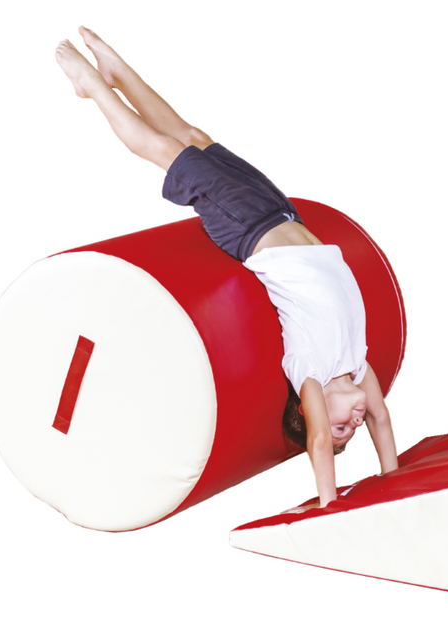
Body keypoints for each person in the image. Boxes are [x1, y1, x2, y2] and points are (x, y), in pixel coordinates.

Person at [55, 27, 397, 508]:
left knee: (165, 151)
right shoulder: (356, 361)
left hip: (247, 226)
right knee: (196, 140)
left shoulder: (309, 371)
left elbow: (319, 442)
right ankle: (119, 75)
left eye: (342, 427)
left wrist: (329, 503)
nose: (354, 423)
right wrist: (394, 479)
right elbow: (381, 417)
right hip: (283, 214)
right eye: (352, 430)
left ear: (311, 410)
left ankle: (91, 86)